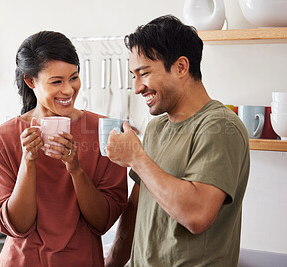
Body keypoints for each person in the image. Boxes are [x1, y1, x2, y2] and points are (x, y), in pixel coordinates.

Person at [105, 15, 250, 267]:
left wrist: (136, 158)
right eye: (133, 76)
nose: (137, 87)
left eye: (144, 73)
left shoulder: (220, 126)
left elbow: (197, 215)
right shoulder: (156, 128)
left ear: (181, 67)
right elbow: (135, 208)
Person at [0, 31, 127, 266]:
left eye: (74, 77)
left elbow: (103, 222)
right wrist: (28, 161)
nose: (69, 90)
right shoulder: (1, 140)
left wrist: (75, 168)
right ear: (31, 82)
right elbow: (18, 226)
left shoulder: (107, 131)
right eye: (56, 82)